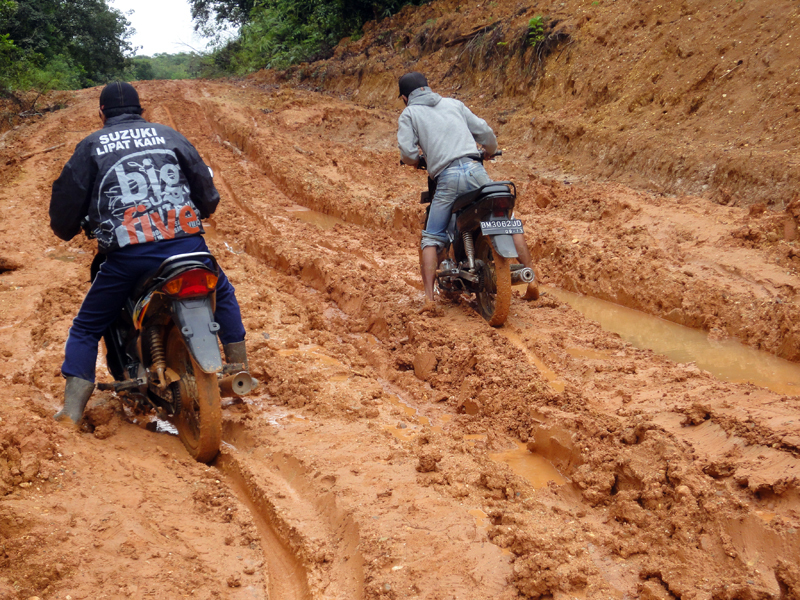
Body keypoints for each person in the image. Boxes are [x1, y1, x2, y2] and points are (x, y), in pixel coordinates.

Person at [49, 81, 248, 425]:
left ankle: (71, 411)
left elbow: (65, 209)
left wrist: (68, 228)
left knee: (85, 328)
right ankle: (239, 369)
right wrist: (200, 208)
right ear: (142, 111)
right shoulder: (168, 135)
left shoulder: (91, 146)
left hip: (129, 257)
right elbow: (206, 192)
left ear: (101, 114)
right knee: (223, 292)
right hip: (188, 246)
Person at [396, 72, 538, 308]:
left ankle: (429, 300)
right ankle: (533, 281)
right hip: (476, 171)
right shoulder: (454, 104)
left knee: (431, 237)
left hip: (447, 178)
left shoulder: (409, 113)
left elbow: (409, 154)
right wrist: (490, 150)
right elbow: (484, 131)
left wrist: (417, 160)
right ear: (428, 88)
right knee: (509, 222)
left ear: (404, 97)